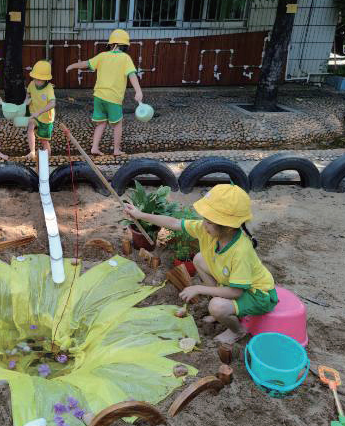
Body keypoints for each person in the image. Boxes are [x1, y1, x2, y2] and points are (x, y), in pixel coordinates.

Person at [124, 184, 277, 344]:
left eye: (209, 221)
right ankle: (223, 308)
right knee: (198, 258)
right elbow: (175, 222)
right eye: (205, 219)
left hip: (258, 295)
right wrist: (139, 214)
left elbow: (237, 292)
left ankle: (237, 330)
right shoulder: (207, 230)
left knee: (216, 306)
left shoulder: (241, 251)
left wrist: (198, 288)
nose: (204, 224)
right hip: (234, 283)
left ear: (229, 227)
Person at [65, 29, 143, 156]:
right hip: (113, 98)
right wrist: (138, 91)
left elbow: (86, 64)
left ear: (111, 44)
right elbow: (132, 75)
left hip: (99, 96)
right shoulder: (125, 58)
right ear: (124, 46)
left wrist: (72, 66)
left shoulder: (102, 56)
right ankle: (116, 150)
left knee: (101, 123)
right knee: (117, 124)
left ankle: (94, 148)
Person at [24, 60, 56, 161]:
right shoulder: (32, 84)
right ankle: (32, 151)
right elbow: (28, 94)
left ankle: (48, 160)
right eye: (35, 78)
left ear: (46, 79)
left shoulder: (49, 89)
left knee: (44, 140)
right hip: (34, 113)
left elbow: (52, 103)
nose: (37, 81)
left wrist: (40, 112)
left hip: (46, 118)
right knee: (30, 130)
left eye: (40, 79)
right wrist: (26, 101)